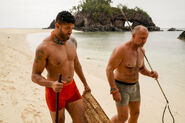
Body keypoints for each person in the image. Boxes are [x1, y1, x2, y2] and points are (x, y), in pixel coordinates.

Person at [31, 11, 91, 123]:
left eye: (72, 28)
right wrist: (51, 84)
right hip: (55, 92)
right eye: (67, 28)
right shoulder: (44, 48)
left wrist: (85, 83)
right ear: (57, 26)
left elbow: (76, 64)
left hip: (72, 88)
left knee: (82, 121)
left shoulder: (72, 41)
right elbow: (34, 76)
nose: (70, 32)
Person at [106, 25, 158, 123]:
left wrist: (151, 74)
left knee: (135, 114)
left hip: (135, 87)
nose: (144, 41)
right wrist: (114, 89)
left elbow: (141, 69)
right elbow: (109, 69)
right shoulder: (121, 50)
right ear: (133, 36)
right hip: (121, 87)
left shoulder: (142, 51)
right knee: (123, 117)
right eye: (142, 38)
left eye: (146, 38)